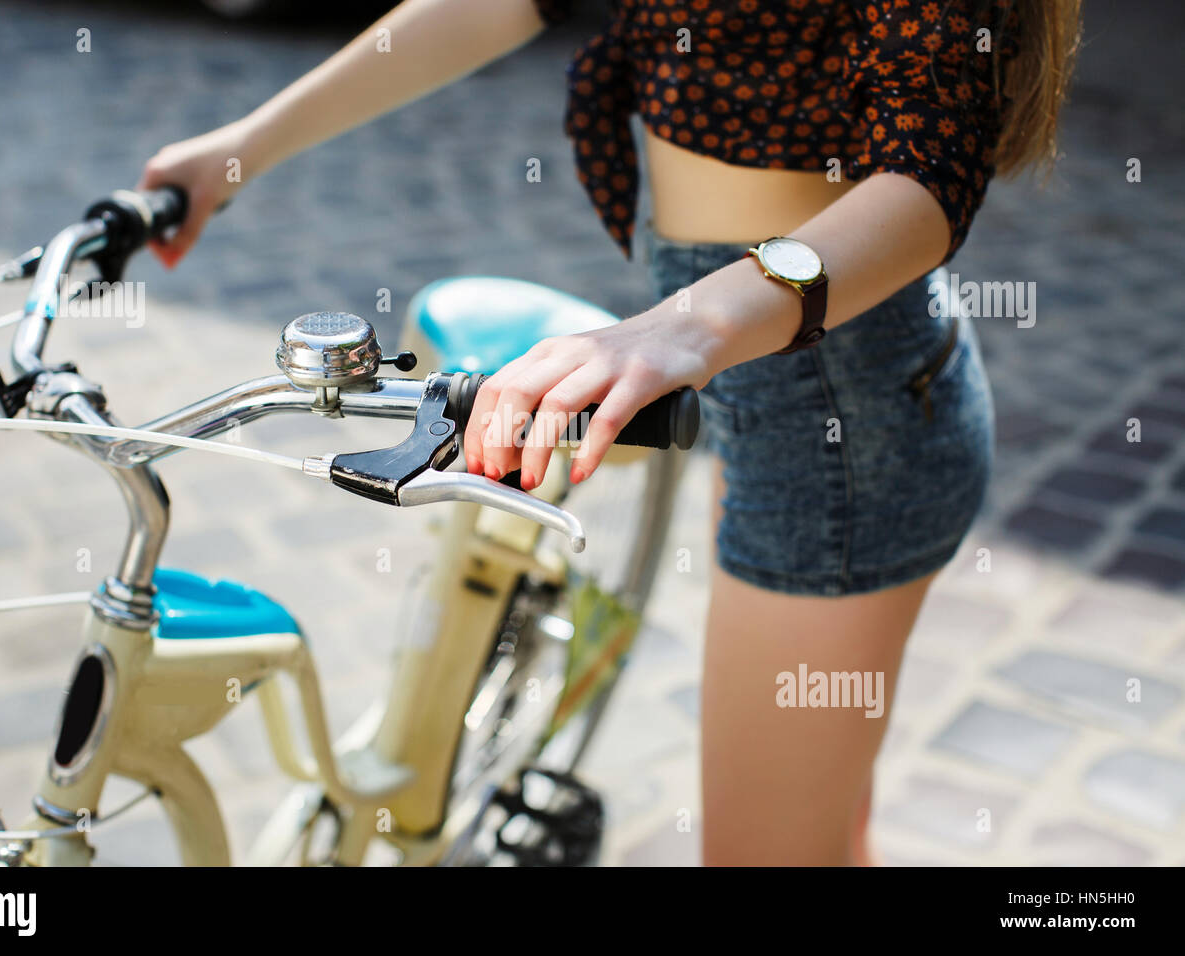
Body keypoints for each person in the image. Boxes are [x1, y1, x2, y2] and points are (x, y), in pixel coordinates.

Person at [140, 0, 1082, 865]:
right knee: (824, 839)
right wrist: (244, 149)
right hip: (779, 389)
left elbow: (925, 177)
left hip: (833, 415)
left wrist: (687, 326)